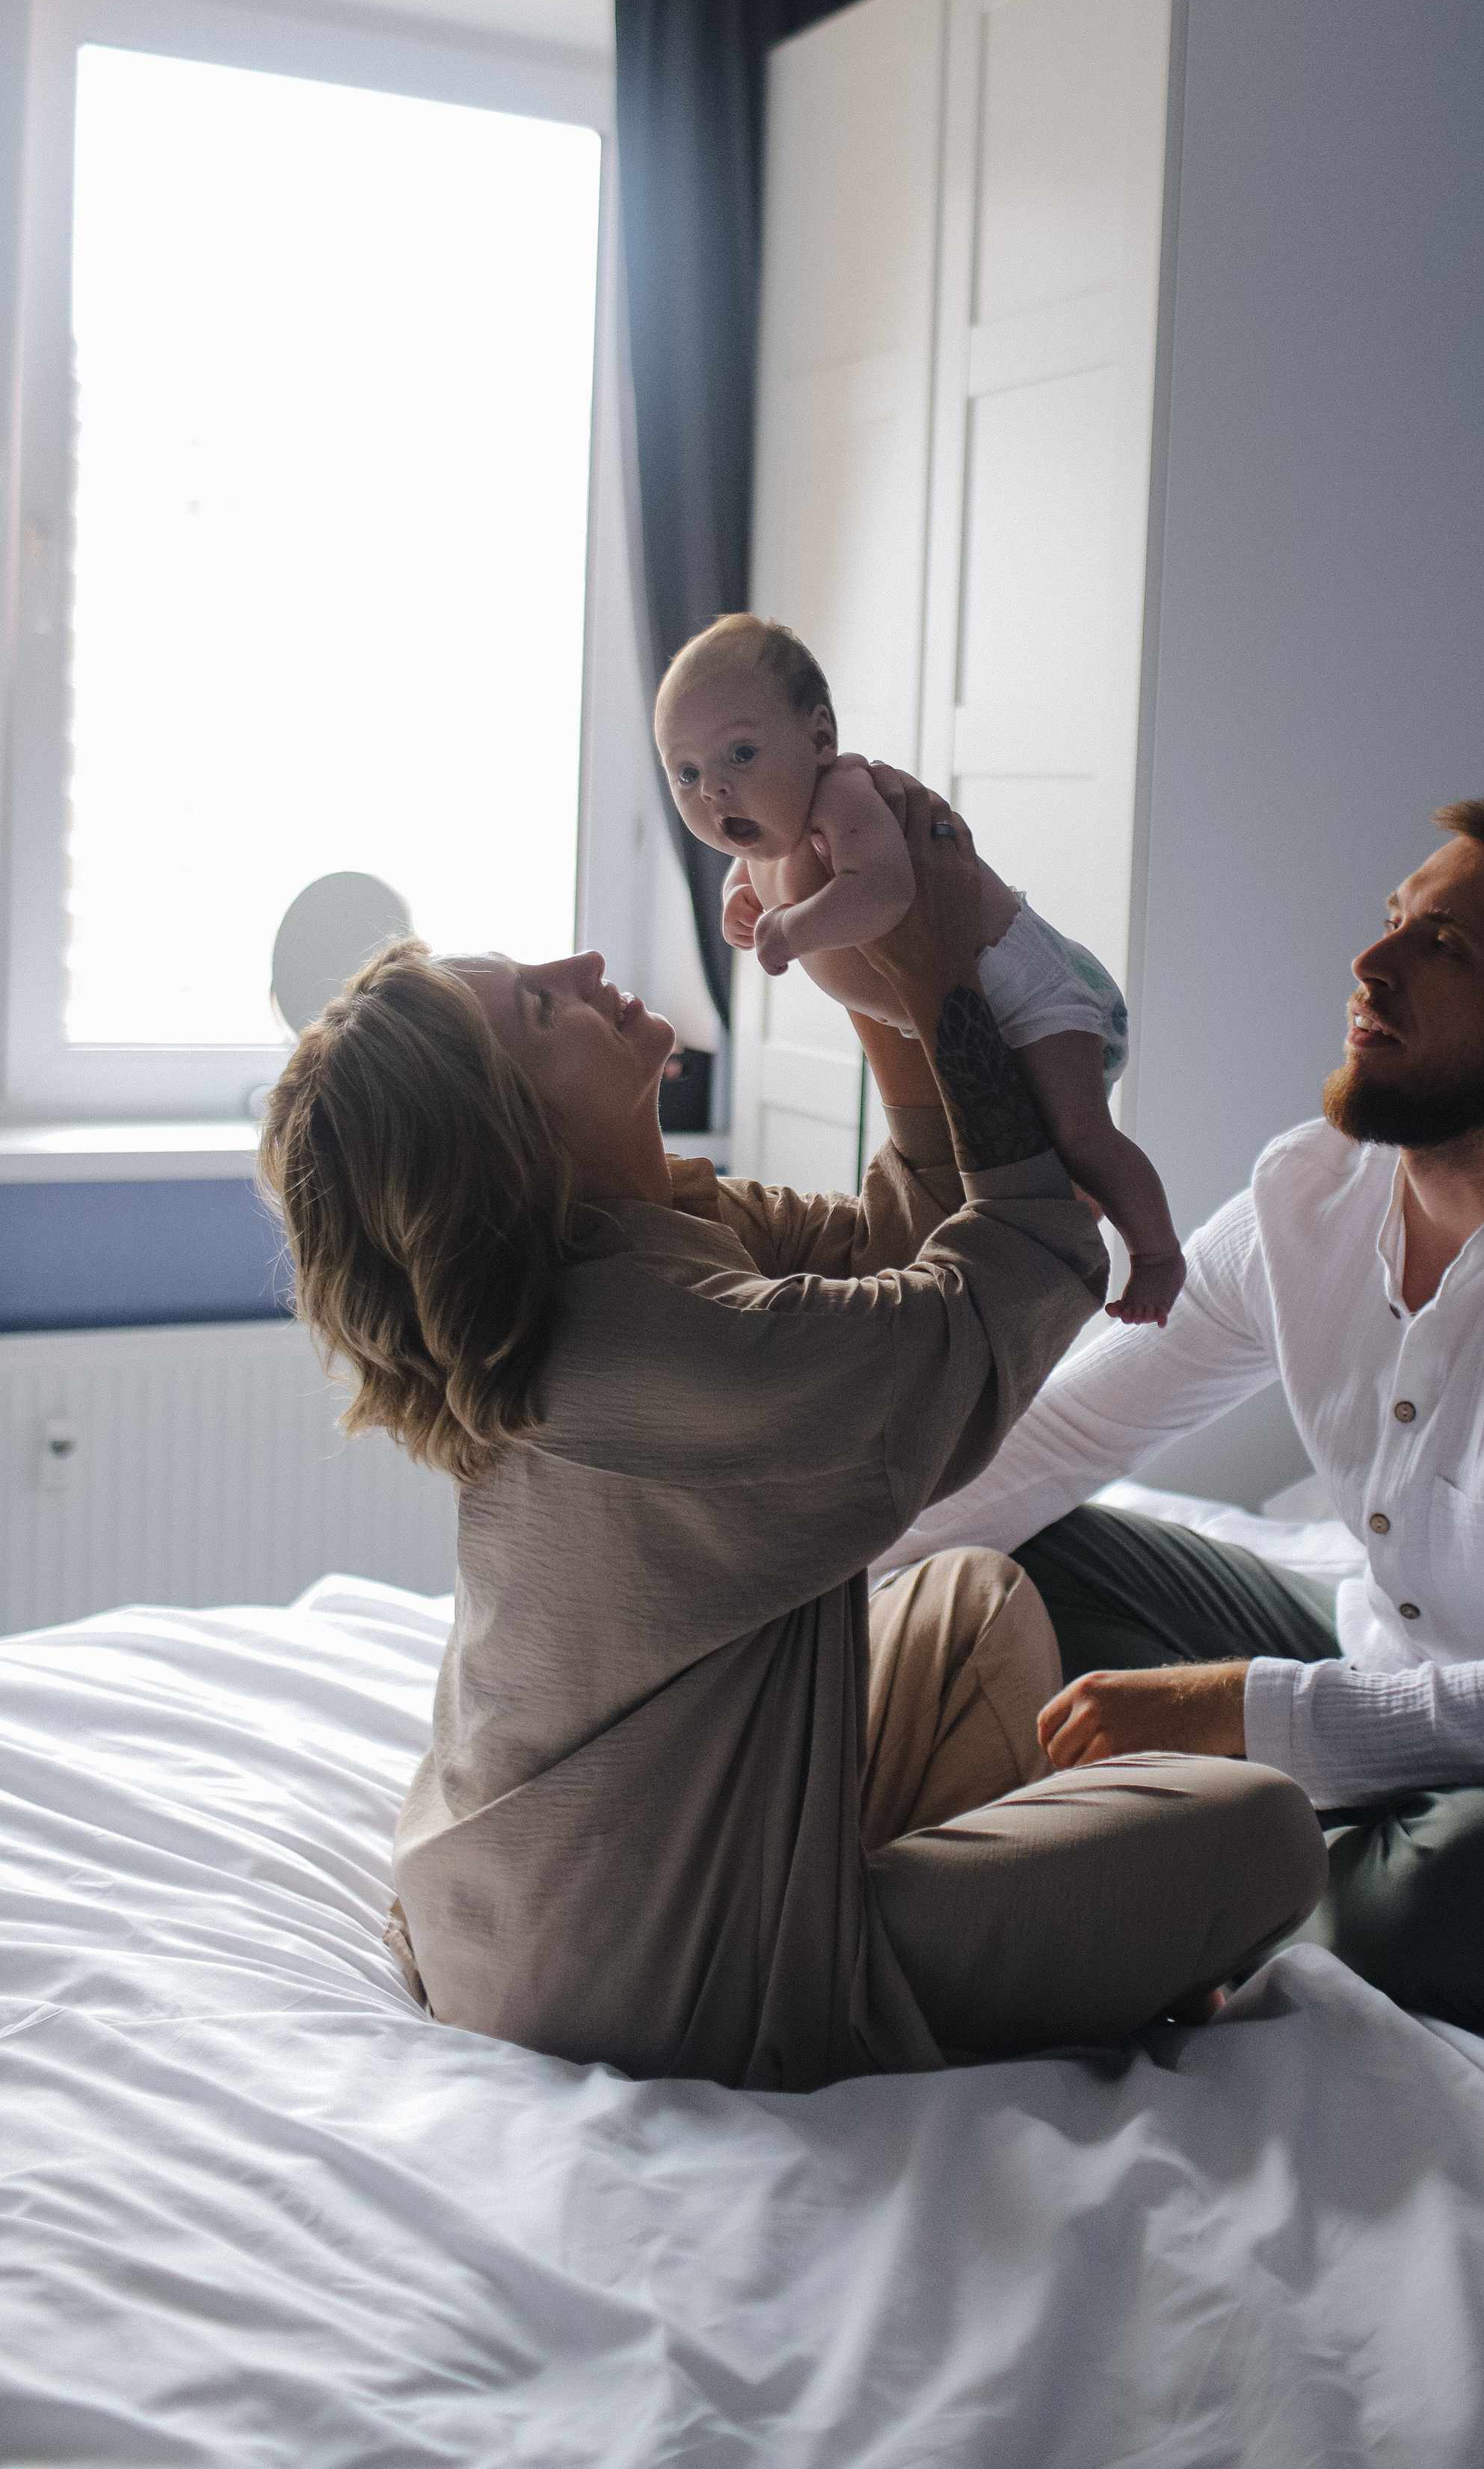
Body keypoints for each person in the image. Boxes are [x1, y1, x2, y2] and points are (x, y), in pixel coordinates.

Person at [256, 781, 1325, 2091]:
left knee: (971, 1604)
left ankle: (994, 1927)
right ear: (513, 1138)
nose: (585, 964)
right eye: (542, 1001)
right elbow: (1009, 1282)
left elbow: (900, 1239)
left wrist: (867, 985)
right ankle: (913, 1985)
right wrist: (942, 980)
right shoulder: (649, 1350)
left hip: (538, 1890)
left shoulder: (616, 1239)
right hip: (656, 1983)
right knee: (1266, 1833)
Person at [879, 796, 1484, 2034]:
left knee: (1443, 1897)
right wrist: (809, 1592)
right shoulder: (1310, 1195)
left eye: (1446, 948)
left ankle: (1100, 1900)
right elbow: (1065, 1438)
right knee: (993, 1559)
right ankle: (1133, 1873)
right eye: (1395, 921)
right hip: (1383, 1667)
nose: (1369, 965)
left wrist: (1227, 1709)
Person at [654, 612, 1185, 1324]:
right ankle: (1077, 1200)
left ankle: (1157, 1252)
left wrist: (790, 929)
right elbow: (744, 883)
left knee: (1079, 1137)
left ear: (819, 739)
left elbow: (884, 890)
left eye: (740, 754)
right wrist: (739, 909)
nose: (714, 790)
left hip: (1035, 992)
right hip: (949, 1016)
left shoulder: (843, 796)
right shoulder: (760, 837)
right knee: (1005, 1163)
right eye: (686, 773)